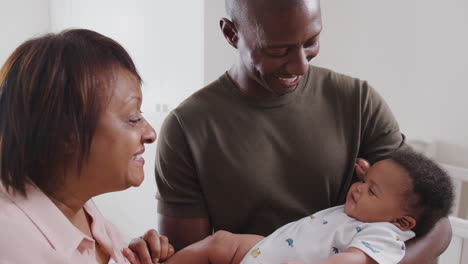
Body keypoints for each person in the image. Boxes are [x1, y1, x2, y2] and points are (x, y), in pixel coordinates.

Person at [130, 0, 452, 262]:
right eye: (278, 50)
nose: (300, 66)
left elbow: (435, 225)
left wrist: (373, 259)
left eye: (311, 41)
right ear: (231, 34)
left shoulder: (358, 101)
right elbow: (190, 254)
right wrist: (150, 252)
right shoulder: (189, 128)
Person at [0, 29, 173, 264]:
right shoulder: (12, 244)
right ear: (65, 133)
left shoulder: (82, 210)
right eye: (133, 118)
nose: (151, 133)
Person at [161, 150, 454, 264]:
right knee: (220, 241)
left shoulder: (384, 234)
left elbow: (352, 260)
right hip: (270, 250)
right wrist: (373, 179)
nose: (359, 187)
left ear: (401, 223)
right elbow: (380, 185)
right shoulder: (370, 209)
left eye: (371, 190)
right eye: (365, 179)